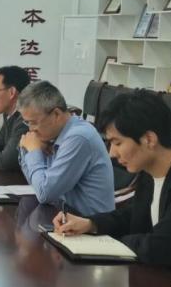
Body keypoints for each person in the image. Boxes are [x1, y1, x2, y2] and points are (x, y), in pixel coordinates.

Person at [54, 89, 171, 283]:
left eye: (117, 143)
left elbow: (159, 248)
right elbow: (133, 215)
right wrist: (90, 224)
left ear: (149, 139)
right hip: (166, 282)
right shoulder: (151, 171)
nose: (112, 153)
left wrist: (110, 243)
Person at [16, 81, 114, 215]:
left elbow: (44, 193)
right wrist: (25, 150)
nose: (31, 129)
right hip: (64, 217)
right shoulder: (53, 135)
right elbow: (37, 184)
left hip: (90, 223)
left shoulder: (78, 137)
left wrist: (33, 151)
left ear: (56, 114)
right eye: (27, 123)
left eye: (33, 123)